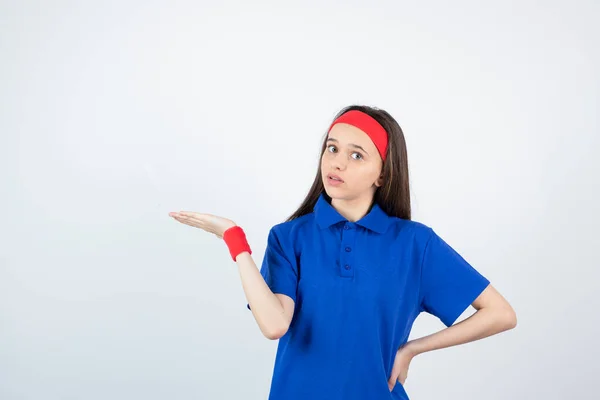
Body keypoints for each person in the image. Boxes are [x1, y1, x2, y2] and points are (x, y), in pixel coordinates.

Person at [169, 105, 517, 400]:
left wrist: (412, 349)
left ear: (382, 174)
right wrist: (235, 241)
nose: (337, 163)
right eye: (332, 148)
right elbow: (274, 325)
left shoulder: (415, 244)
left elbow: (500, 313)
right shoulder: (289, 237)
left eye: (356, 155)